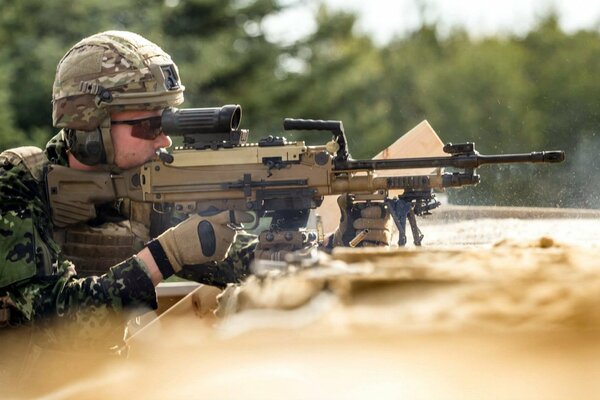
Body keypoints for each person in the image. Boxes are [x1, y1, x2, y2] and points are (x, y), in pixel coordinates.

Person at [0, 31, 392, 347]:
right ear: (92, 123)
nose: (165, 141)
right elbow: (57, 322)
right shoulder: (17, 185)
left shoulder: (140, 186)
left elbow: (238, 263)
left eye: (167, 123)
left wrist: (338, 245)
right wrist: (165, 255)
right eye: (149, 125)